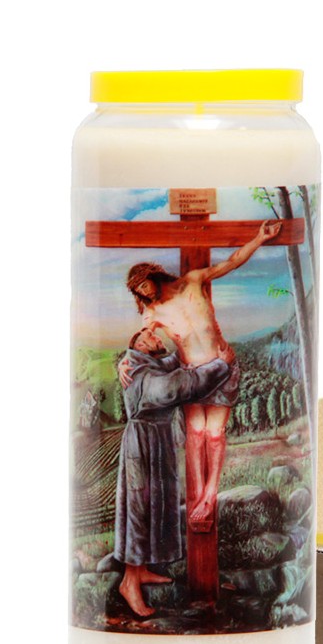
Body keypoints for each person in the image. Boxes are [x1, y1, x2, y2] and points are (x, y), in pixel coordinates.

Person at [126, 217, 281, 531]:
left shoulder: (193, 281)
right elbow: (140, 340)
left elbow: (232, 262)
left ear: (153, 276)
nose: (144, 292)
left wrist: (259, 239)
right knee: (196, 435)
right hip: (193, 376)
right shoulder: (152, 312)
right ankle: (198, 496)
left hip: (223, 366)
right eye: (139, 290)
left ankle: (210, 495)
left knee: (215, 434)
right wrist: (124, 362)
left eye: (144, 284)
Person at [114, 327, 230, 618]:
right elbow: (178, 386)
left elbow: (171, 363)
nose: (156, 336)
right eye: (149, 336)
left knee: (155, 507)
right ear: (141, 346)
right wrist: (221, 366)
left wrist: (183, 344)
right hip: (142, 447)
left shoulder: (146, 364)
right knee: (139, 511)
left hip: (156, 443)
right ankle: (129, 583)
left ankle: (141, 570)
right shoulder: (139, 373)